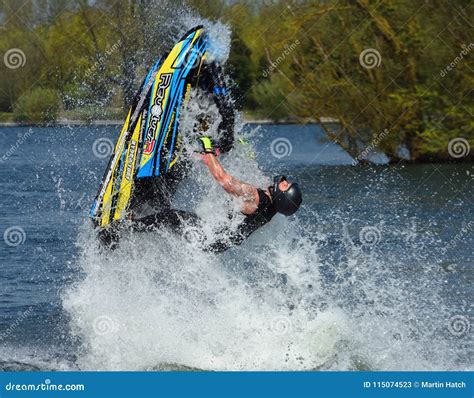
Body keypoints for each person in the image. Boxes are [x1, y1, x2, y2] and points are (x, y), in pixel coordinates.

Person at [132, 136, 303, 253]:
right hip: (213, 243)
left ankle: (124, 229)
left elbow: (224, 180)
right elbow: (256, 179)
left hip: (206, 238)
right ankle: (141, 213)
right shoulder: (269, 207)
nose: (284, 182)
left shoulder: (256, 199)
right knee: (174, 217)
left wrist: (208, 150)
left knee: (170, 217)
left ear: (281, 196)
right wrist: (248, 155)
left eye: (285, 186)